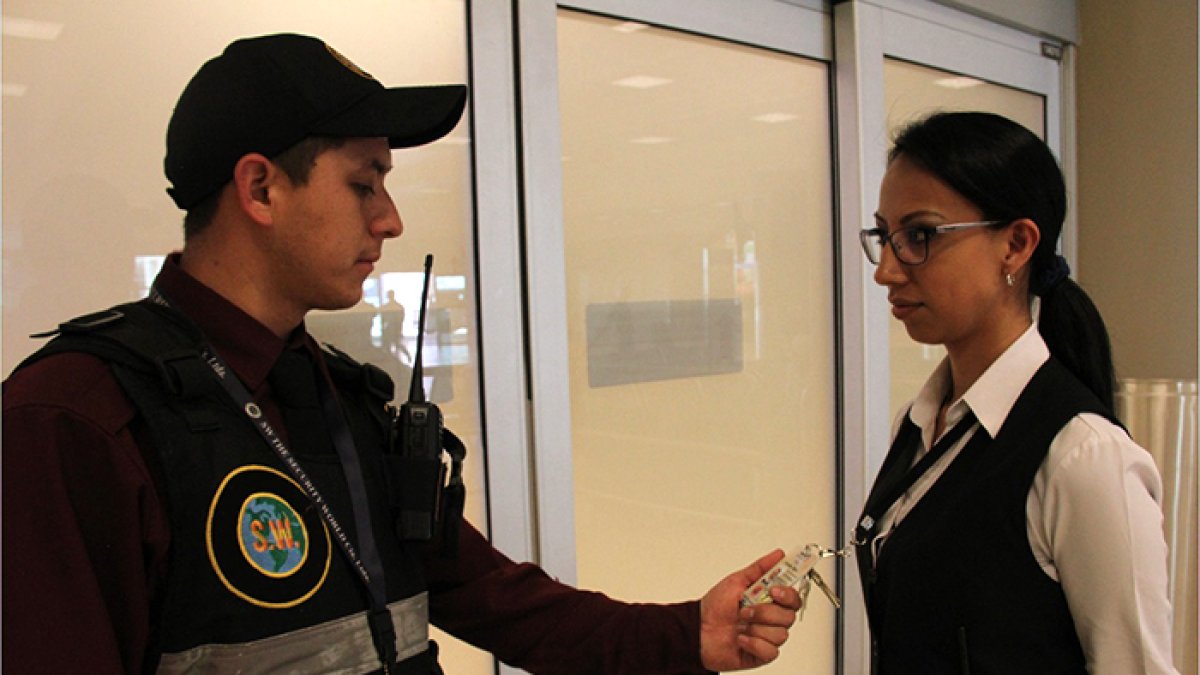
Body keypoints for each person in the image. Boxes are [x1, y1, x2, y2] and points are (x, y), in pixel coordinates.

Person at [1, 33, 801, 675]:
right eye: (364, 182)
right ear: (259, 189)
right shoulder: (76, 421)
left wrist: (685, 634)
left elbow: (491, 595)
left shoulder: (339, 397)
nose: (390, 218)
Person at [853, 111, 1178, 674]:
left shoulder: (1082, 455)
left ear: (1017, 244)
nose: (887, 270)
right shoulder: (920, 422)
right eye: (885, 236)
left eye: (919, 236)